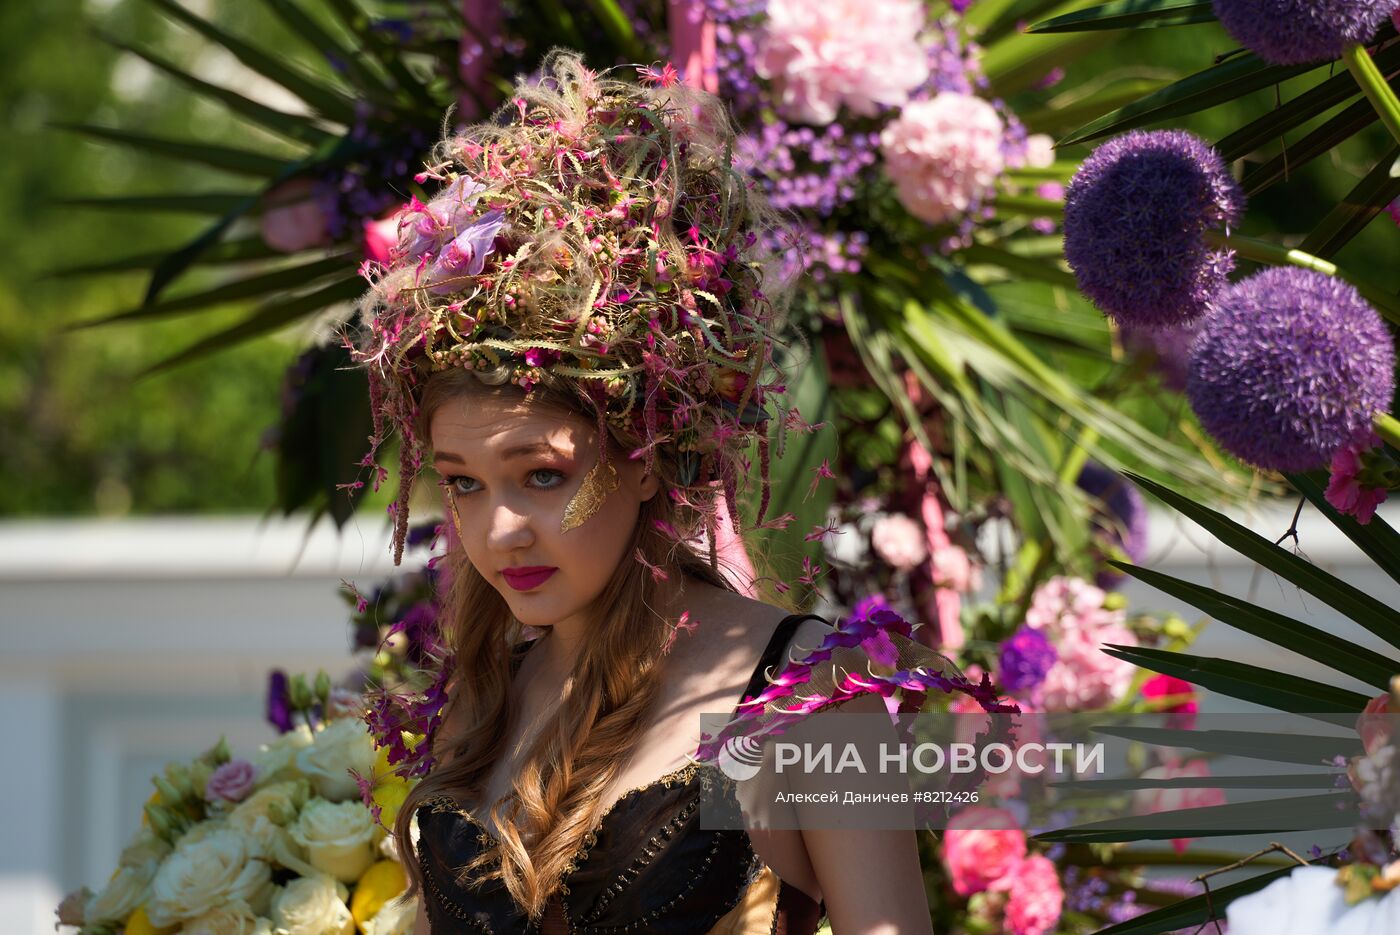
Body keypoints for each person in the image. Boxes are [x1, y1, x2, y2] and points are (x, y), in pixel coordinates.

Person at [351, 49, 981, 934]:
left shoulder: (805, 692)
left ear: (646, 453)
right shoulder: (490, 693)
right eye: (462, 484)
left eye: (541, 476)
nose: (499, 533)